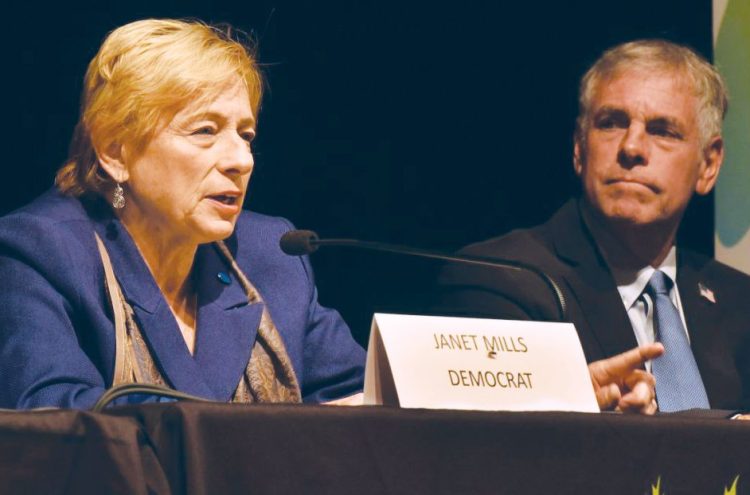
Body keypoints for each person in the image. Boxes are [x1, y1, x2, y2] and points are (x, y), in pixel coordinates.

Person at [0, 19, 365, 409]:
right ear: (115, 152)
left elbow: (366, 393)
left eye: (246, 135)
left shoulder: (270, 255)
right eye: (205, 131)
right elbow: (57, 417)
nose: (241, 160)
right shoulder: (41, 253)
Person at [437, 40, 750, 413]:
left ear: (709, 165)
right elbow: (491, 450)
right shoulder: (501, 280)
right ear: (579, 149)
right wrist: (582, 406)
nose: (632, 147)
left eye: (662, 130)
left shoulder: (739, 302)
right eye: (611, 123)